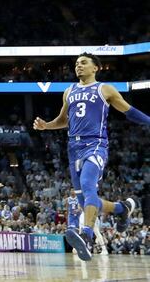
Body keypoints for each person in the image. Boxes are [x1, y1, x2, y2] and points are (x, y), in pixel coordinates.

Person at [34, 53, 145, 261]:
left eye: (83, 63)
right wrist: (46, 125)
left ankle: (86, 236)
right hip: (73, 147)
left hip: (95, 144)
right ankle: (122, 208)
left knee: (88, 185)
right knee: (85, 200)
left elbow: (129, 111)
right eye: (76, 64)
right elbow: (63, 119)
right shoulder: (69, 91)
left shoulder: (105, 89)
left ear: (96, 68)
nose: (79, 66)